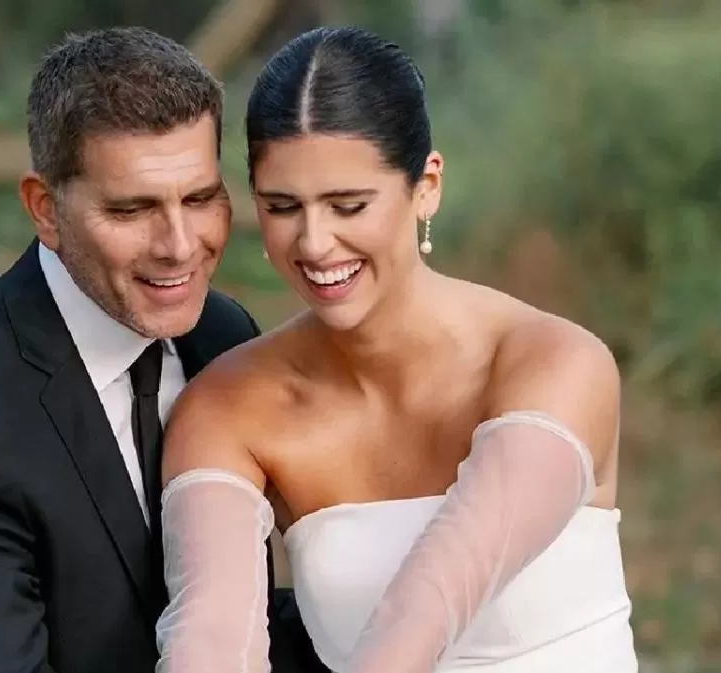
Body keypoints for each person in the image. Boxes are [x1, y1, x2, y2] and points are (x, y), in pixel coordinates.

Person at [153, 26, 638, 673]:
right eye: (282, 206)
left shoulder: (554, 361)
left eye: (348, 204)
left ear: (426, 185)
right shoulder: (226, 407)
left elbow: (428, 607)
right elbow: (212, 637)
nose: (315, 241)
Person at [0, 27, 326, 673]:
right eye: (133, 209)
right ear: (44, 208)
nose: (180, 245)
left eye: (199, 197)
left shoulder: (222, 334)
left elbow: (242, 616)